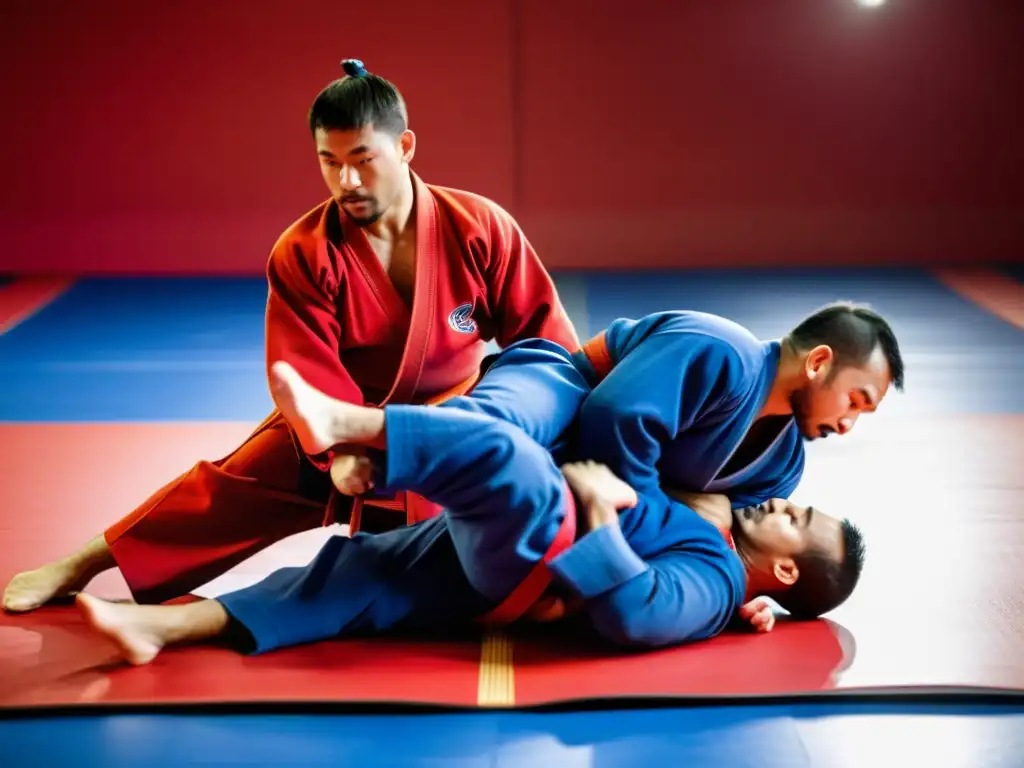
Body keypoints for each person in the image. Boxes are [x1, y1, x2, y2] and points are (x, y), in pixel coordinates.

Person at [3, 59, 579, 613]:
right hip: (333, 425)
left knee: (454, 549)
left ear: (404, 147)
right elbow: (303, 374)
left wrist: (571, 425)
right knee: (221, 492)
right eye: (329, 162)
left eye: (362, 159)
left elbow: (547, 347)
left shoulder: (479, 227)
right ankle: (77, 566)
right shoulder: (305, 251)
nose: (346, 180)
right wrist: (341, 454)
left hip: (455, 421)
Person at [75, 355, 864, 665]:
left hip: (540, 557)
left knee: (506, 459)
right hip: (491, 568)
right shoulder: (721, 556)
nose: (783, 500)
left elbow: (643, 617)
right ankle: (161, 627)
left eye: (797, 517)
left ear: (786, 566)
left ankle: (354, 431)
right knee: (349, 577)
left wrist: (593, 514)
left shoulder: (716, 578)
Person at [571, 302, 904, 519]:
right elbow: (609, 417)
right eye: (854, 401)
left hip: (602, 504)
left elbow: (729, 538)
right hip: (565, 397)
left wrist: (744, 586)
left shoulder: (782, 467)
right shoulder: (725, 351)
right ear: (818, 363)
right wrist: (675, 504)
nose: (848, 424)